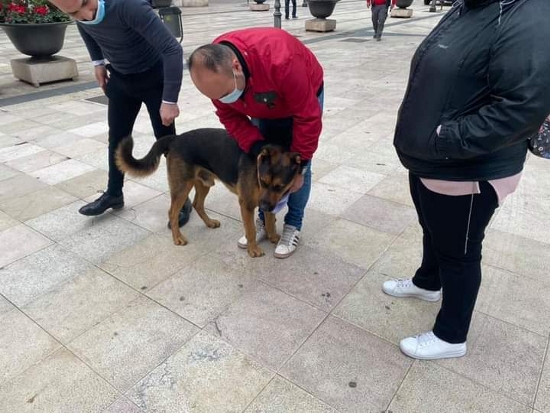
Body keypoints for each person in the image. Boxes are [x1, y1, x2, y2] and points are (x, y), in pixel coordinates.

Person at [386, 0, 550, 360]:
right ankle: (428, 282)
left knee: (459, 252)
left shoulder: (528, 14)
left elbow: (522, 106)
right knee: (433, 229)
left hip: (468, 168)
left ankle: (451, 335)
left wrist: (444, 138)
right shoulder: (473, 6)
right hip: (433, 159)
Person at [48, 0, 192, 227]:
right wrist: (98, 62)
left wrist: (169, 100)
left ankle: (182, 198)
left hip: (154, 77)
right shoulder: (79, 14)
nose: (86, 15)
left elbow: (172, 49)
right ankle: (114, 193)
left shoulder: (129, 6)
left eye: (86, 5)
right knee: (117, 138)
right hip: (121, 78)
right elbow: (86, 28)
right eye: (74, 13)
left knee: (165, 140)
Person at [187, 28, 324, 259]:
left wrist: (300, 167)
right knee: (264, 166)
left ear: (236, 67)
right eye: (216, 97)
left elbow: (307, 118)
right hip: (260, 100)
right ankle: (263, 219)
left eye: (225, 93)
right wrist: (256, 147)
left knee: (295, 167)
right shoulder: (215, 75)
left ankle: (293, 224)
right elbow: (230, 117)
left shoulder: (282, 61)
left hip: (298, 97)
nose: (222, 100)